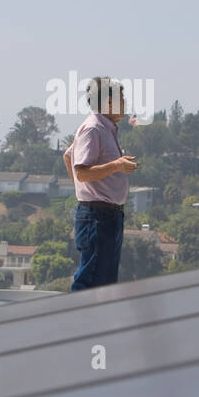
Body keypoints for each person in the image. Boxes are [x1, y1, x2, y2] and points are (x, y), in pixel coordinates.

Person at [63, 77, 139, 290]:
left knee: (103, 283)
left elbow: (68, 156)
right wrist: (116, 166)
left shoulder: (104, 128)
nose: (124, 103)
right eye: (121, 98)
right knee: (91, 281)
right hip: (98, 217)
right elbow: (82, 171)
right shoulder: (93, 129)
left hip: (106, 215)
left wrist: (83, 192)